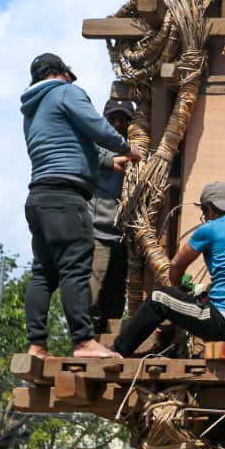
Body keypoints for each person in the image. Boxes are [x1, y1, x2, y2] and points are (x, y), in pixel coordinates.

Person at [21, 52, 139, 359]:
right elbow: (97, 128)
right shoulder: (65, 92)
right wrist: (129, 148)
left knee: (44, 273)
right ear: (62, 73)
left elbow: (73, 145)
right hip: (66, 196)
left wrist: (107, 161)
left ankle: (36, 344)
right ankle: (84, 342)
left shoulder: (32, 109)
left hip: (39, 196)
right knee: (76, 268)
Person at [112, 183, 225, 356]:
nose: (205, 217)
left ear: (210, 208)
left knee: (158, 298)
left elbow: (176, 265)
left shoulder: (211, 228)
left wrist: (176, 287)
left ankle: (118, 351)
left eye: (204, 213)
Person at [90, 98, 135, 333]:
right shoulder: (95, 142)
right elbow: (85, 158)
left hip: (120, 234)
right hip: (96, 231)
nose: (118, 124)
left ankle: (107, 341)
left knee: (116, 295)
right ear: (104, 119)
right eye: (113, 118)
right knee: (91, 292)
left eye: (124, 119)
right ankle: (85, 340)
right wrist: (113, 161)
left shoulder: (134, 148)